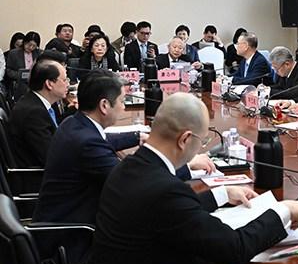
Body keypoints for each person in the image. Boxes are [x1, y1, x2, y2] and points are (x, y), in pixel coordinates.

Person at [77, 93, 298, 264]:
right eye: (202, 140)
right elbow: (235, 247)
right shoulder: (163, 190)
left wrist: (222, 194)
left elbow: (173, 212)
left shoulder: (131, 166)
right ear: (185, 139)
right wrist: (283, 211)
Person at [34, 70, 215, 225]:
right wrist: (185, 166)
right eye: (122, 101)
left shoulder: (74, 123)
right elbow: (133, 187)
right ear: (104, 105)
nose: (123, 107)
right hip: (73, 234)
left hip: (63, 216)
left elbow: (105, 140)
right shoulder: (88, 144)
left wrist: (138, 137)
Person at [8, 60, 68, 168]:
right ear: (49, 84)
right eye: (64, 80)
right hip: (37, 175)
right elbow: (51, 158)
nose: (68, 84)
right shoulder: (33, 113)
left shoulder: (34, 101)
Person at [6, 31, 42, 99]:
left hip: (34, 84)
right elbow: (8, 70)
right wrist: (20, 75)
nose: (31, 47)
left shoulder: (39, 53)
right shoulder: (14, 53)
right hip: (19, 84)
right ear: (24, 42)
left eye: (34, 46)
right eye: (29, 44)